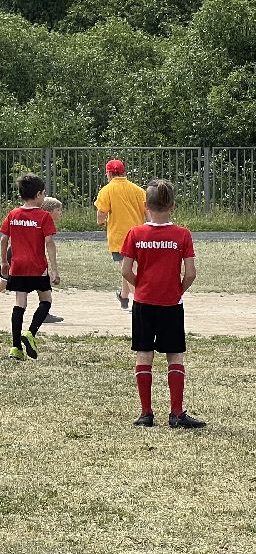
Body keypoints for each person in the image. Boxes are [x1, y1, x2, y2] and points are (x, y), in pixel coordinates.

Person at [120, 179, 204, 429]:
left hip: (144, 302)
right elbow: (190, 273)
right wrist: (177, 290)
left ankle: (146, 413)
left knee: (144, 353)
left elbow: (125, 271)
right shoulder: (182, 234)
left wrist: (142, 285)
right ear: (173, 206)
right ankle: (176, 414)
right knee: (174, 354)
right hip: (171, 303)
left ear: (146, 206)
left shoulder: (135, 233)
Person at [0, 196, 65, 324]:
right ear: (49, 211)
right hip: (20, 254)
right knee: (40, 283)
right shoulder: (41, 218)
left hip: (15, 253)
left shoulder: (36, 217)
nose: (60, 213)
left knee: (2, 285)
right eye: (58, 210)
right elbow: (47, 243)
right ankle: (44, 313)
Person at [0, 173, 59, 360]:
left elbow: (3, 239)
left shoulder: (13, 214)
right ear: (39, 194)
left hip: (18, 266)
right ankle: (31, 333)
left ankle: (15, 348)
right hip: (37, 267)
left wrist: (4, 262)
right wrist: (54, 269)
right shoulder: (43, 217)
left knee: (19, 304)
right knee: (46, 301)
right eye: (44, 194)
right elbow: (49, 243)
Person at [96, 158, 146, 310]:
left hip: (119, 238)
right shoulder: (138, 190)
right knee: (128, 268)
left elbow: (101, 215)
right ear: (124, 172)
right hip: (139, 235)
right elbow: (148, 213)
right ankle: (124, 297)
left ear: (109, 174)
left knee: (128, 269)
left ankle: (140, 303)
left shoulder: (107, 190)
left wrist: (101, 220)